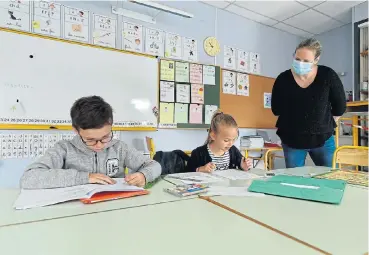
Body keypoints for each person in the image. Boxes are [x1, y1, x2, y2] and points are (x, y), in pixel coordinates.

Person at [20, 96, 162, 189]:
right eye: (90, 140)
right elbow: (28, 178)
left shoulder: (119, 148)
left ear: (111, 125)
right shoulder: (64, 149)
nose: (100, 145)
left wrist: (144, 176)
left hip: (114, 209)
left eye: (105, 137)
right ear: (76, 130)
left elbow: (154, 165)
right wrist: (84, 177)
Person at [271, 38, 346, 168]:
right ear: (294, 55)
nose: (300, 63)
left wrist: (323, 123)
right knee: (294, 181)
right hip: (291, 140)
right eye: (298, 59)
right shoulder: (283, 79)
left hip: (323, 140)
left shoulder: (328, 75)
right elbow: (276, 109)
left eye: (306, 61)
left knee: (330, 178)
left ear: (316, 60)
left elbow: (340, 107)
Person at [187, 111, 252, 173]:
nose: (231, 144)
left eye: (234, 139)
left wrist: (244, 166)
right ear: (213, 136)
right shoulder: (198, 153)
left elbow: (241, 164)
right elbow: (188, 171)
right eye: (226, 140)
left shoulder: (233, 151)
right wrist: (200, 169)